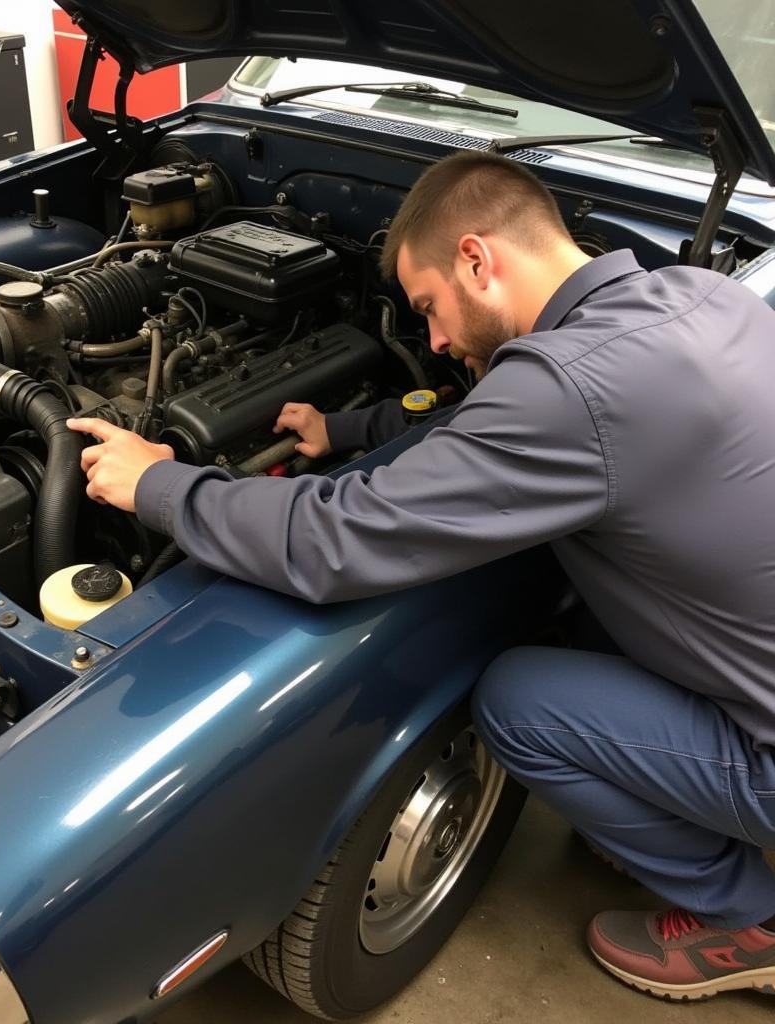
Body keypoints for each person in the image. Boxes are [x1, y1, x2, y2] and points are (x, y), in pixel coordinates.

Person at [67, 151, 775, 1000]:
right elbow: (496, 420)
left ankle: (750, 920)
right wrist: (354, 426)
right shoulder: (701, 295)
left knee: (519, 702)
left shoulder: (570, 390)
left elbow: (337, 540)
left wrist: (158, 485)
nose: (433, 341)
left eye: (430, 308)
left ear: (477, 258)